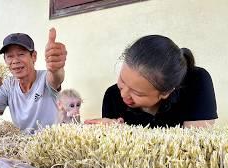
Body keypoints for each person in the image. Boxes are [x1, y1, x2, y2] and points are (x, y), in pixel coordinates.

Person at [85, 35, 217, 128]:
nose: (124, 94)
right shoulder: (112, 95)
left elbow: (193, 147)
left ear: (166, 91)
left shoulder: (196, 81)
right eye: (122, 81)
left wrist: (124, 130)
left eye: (138, 93)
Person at [0, 28, 67, 131]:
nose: (15, 61)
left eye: (21, 54)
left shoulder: (45, 78)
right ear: (5, 60)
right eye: (10, 56)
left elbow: (56, 77)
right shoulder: (7, 85)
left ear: (34, 57)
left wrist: (56, 67)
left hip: (52, 143)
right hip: (24, 145)